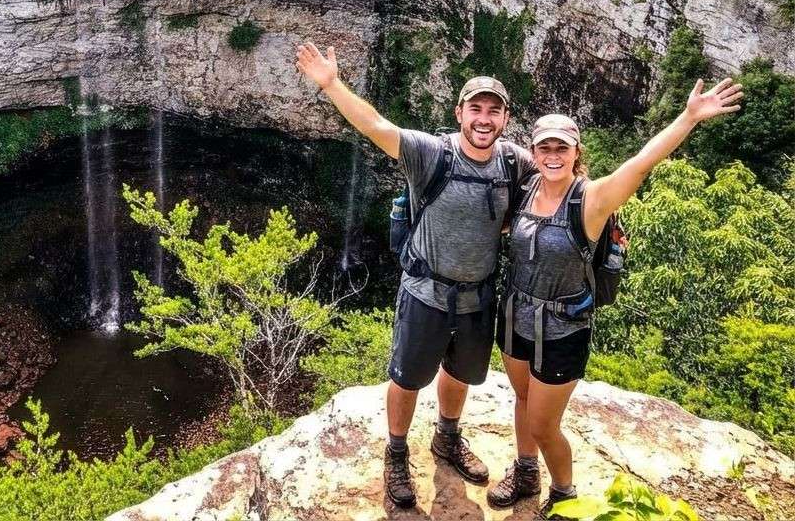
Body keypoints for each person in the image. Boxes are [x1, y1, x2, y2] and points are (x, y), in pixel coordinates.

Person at [488, 77, 743, 519]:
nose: (553, 156)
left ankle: (565, 493)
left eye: (562, 148)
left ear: (576, 153)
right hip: (515, 316)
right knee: (523, 399)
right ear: (534, 152)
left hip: (563, 328)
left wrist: (688, 118)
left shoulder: (591, 199)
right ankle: (526, 470)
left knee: (544, 425)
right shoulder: (526, 189)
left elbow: (641, 164)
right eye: (545, 148)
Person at [295, 41, 535, 510]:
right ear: (459, 113)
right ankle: (397, 453)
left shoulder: (514, 163)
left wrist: (599, 220)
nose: (484, 119)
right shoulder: (432, 153)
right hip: (425, 291)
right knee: (406, 379)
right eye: (476, 109)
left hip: (478, 296)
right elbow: (376, 126)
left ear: (506, 119)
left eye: (494, 111)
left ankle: (447, 437)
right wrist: (331, 84)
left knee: (459, 373)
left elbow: (558, 176)